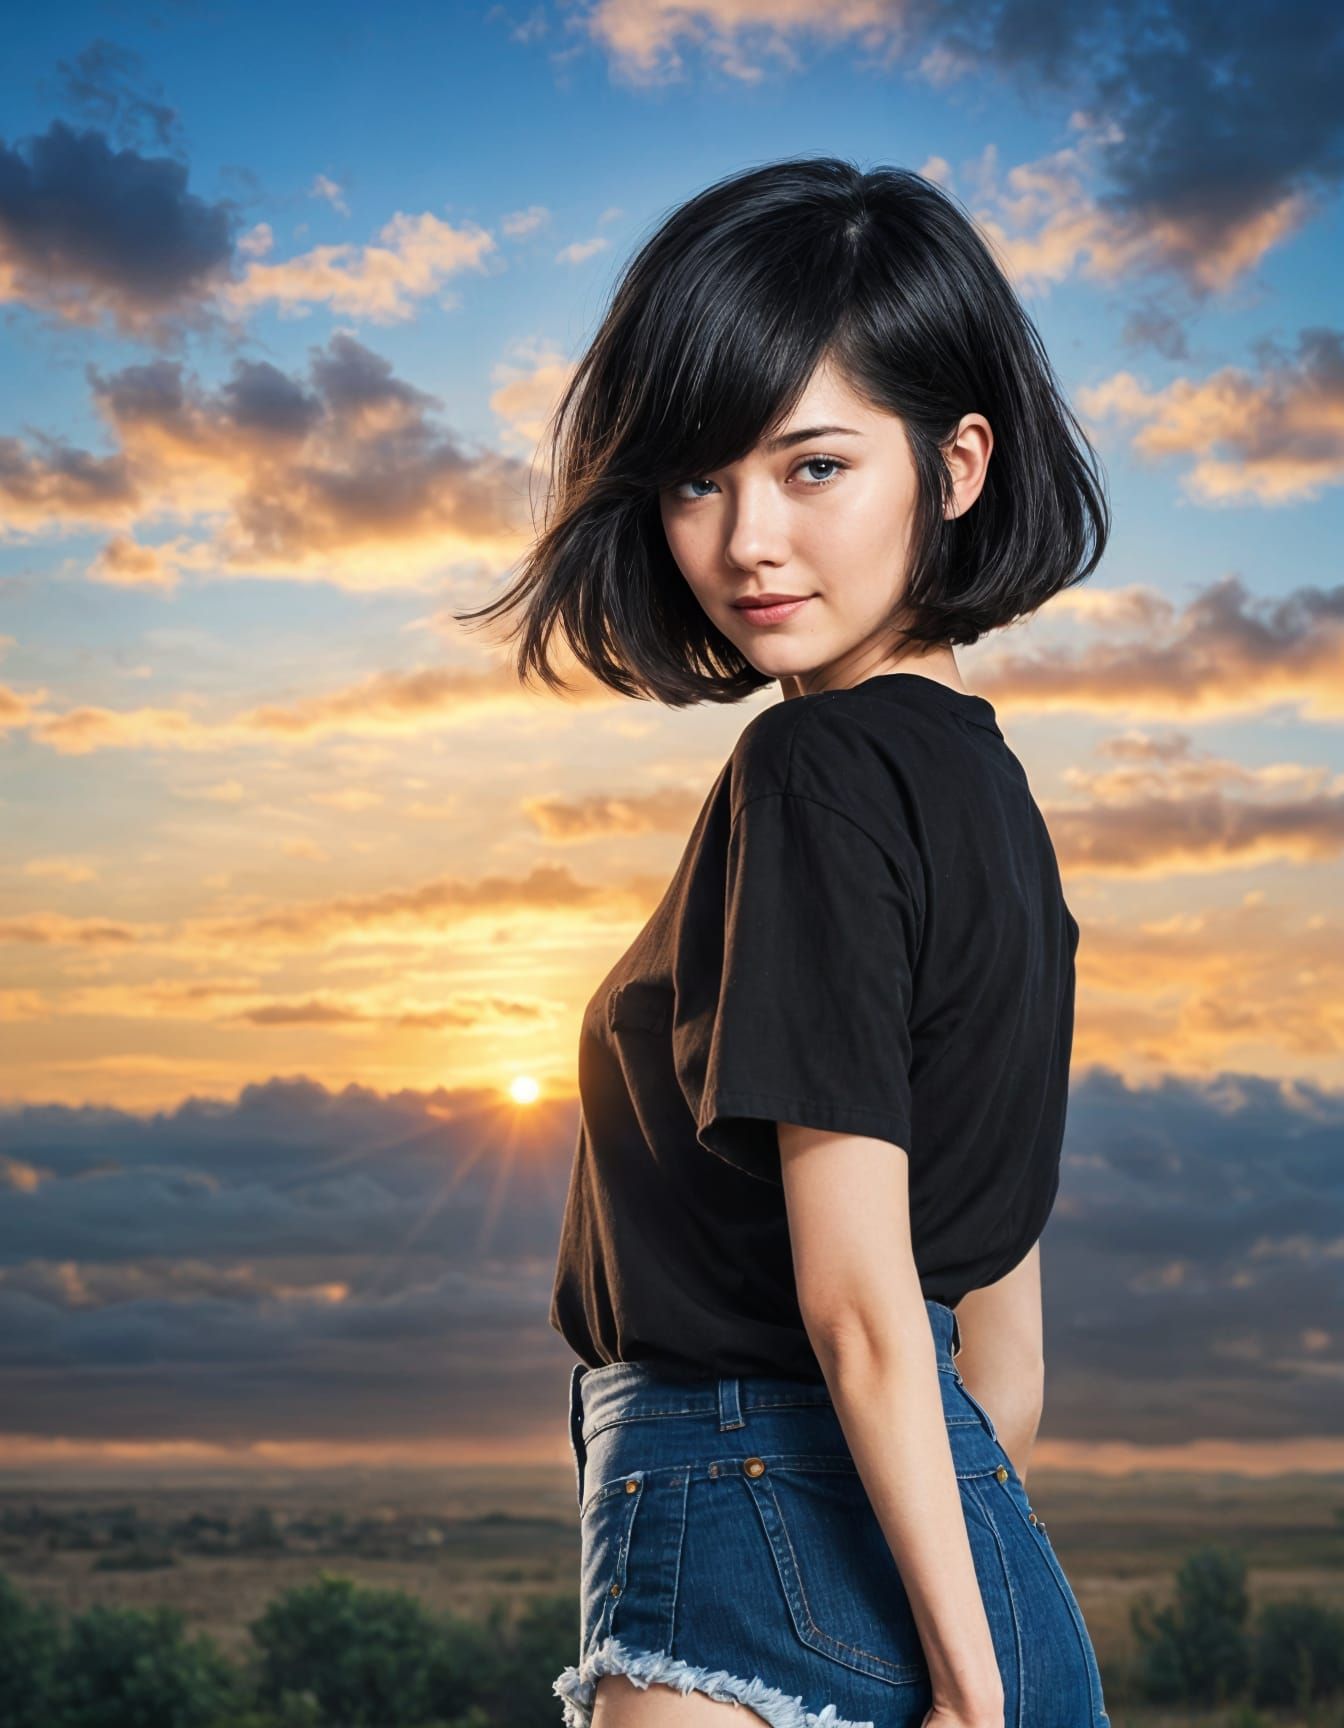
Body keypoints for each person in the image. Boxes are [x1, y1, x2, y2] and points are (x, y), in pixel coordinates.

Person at [454, 156, 1111, 1728]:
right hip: (954, 1549)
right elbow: (999, 1349)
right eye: (697, 479)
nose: (749, 538)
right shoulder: (1005, 815)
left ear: (956, 466)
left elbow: (860, 1300)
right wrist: (973, 1643)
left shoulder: (813, 771)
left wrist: (959, 1695)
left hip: (745, 1517)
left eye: (814, 467)